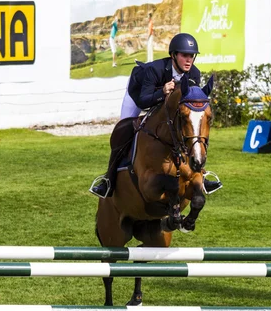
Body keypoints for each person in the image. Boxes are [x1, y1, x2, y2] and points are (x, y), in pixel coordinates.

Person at [90, 33, 222, 198]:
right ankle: (108, 180)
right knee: (124, 130)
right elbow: (144, 101)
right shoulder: (154, 70)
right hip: (139, 94)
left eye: (191, 56)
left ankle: (200, 176)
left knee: (185, 133)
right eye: (184, 55)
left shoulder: (193, 73)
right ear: (173, 55)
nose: (189, 60)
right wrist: (162, 91)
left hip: (166, 104)